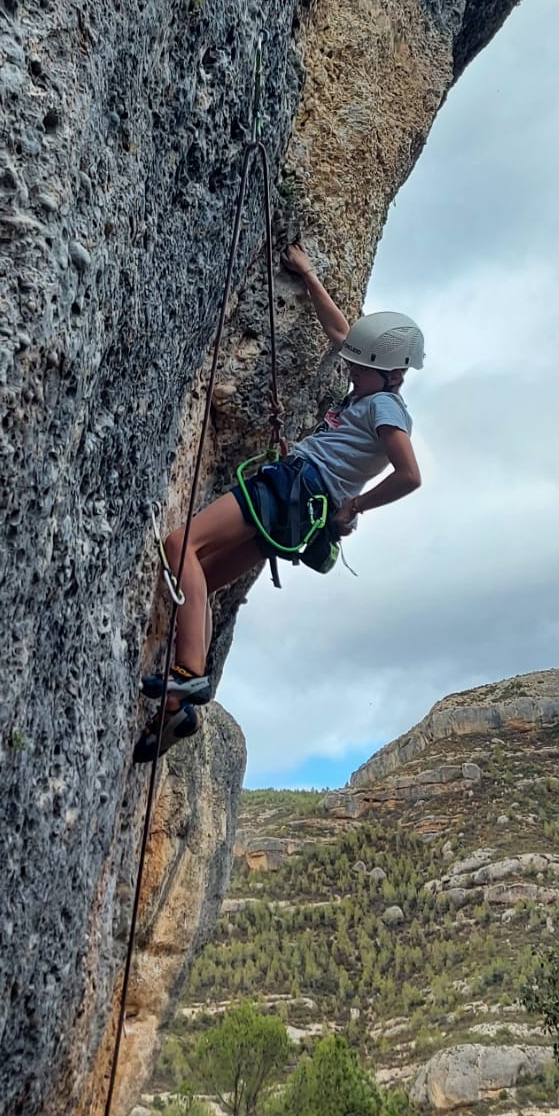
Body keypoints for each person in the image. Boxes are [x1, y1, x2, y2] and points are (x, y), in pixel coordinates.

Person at [135, 242, 424, 761]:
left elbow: (409, 475)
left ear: (391, 372)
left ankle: (187, 675)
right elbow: (341, 333)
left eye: (361, 365)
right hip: (298, 508)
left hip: (294, 489)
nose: (350, 367)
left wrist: (354, 506)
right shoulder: (368, 387)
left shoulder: (385, 405)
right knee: (196, 582)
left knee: (180, 547)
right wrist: (310, 275)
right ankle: (181, 707)